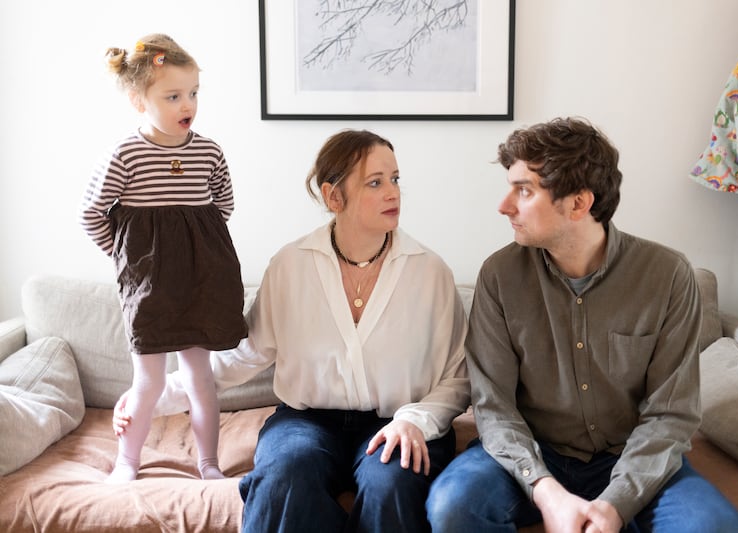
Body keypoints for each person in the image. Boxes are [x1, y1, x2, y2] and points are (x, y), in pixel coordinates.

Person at [114, 129, 470, 532]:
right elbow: (248, 354)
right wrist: (151, 399)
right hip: (306, 421)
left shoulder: (430, 272)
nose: (393, 193)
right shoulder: (291, 265)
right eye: (375, 182)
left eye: (395, 179)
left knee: (390, 483)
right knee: (284, 475)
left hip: (399, 422)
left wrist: (415, 422)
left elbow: (457, 377)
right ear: (334, 197)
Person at [426, 117, 738, 533]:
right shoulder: (500, 276)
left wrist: (615, 505)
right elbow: (494, 408)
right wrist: (546, 490)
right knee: (453, 505)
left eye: (524, 190)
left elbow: (670, 414)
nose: (504, 205)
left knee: (714, 526)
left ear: (578, 203)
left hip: (630, 455)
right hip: (531, 454)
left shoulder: (667, 275)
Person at [79, 33, 247, 483]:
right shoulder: (125, 154)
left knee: (200, 376)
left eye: (192, 93)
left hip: (202, 277)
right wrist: (123, 256)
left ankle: (208, 463)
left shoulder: (208, 151)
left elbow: (223, 205)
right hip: (150, 281)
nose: (186, 104)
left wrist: (197, 244)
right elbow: (92, 212)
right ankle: (127, 461)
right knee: (149, 380)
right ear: (139, 100)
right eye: (172, 95)